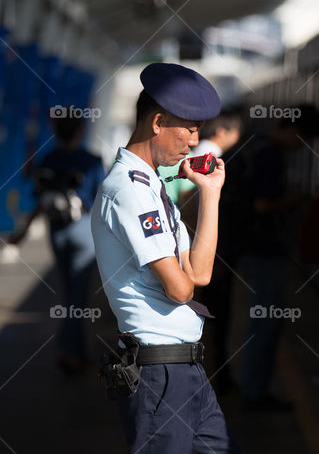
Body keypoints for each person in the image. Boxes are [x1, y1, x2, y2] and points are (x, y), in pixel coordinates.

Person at [91, 62, 239, 453]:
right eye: (189, 129)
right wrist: (185, 276)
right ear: (158, 122)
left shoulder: (153, 187)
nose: (194, 141)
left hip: (182, 371)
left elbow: (201, 274)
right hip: (160, 376)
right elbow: (179, 288)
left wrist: (210, 193)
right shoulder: (131, 191)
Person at [235, 103, 319, 411]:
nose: (303, 148)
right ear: (295, 131)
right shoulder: (270, 154)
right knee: (265, 323)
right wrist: (296, 199)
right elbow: (262, 205)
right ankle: (255, 393)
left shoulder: (255, 143)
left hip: (252, 248)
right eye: (304, 140)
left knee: (263, 321)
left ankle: (255, 389)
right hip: (265, 250)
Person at [10, 114, 104, 374]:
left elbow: (39, 199)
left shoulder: (49, 158)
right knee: (79, 296)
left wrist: (23, 232)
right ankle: (68, 349)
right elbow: (103, 201)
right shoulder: (92, 161)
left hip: (57, 232)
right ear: (80, 130)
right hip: (83, 231)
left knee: (68, 293)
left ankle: (77, 351)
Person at [174, 110, 243, 395]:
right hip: (204, 254)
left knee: (207, 316)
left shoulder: (200, 154)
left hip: (200, 252)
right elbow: (190, 204)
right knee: (210, 317)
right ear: (223, 133)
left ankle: (211, 374)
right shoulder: (208, 157)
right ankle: (212, 377)